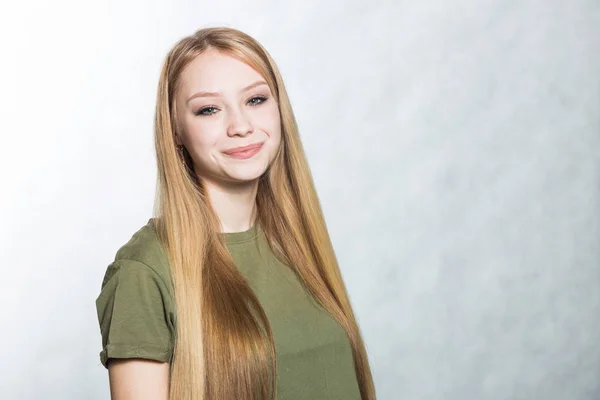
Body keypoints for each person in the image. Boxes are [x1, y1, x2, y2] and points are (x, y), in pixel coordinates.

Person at [95, 26, 376, 400]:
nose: (241, 126)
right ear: (176, 129)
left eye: (256, 100)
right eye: (209, 109)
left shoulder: (298, 243)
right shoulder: (144, 271)